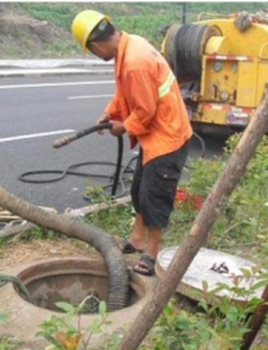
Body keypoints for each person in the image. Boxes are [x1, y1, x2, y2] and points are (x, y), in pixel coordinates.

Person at [71, 10, 193, 276]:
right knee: (138, 190)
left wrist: (123, 127)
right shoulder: (127, 47)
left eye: (91, 51)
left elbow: (145, 111)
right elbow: (126, 93)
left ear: (95, 46)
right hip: (155, 136)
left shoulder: (135, 62)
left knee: (155, 196)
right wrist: (111, 112)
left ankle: (152, 252)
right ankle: (137, 239)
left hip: (167, 136)